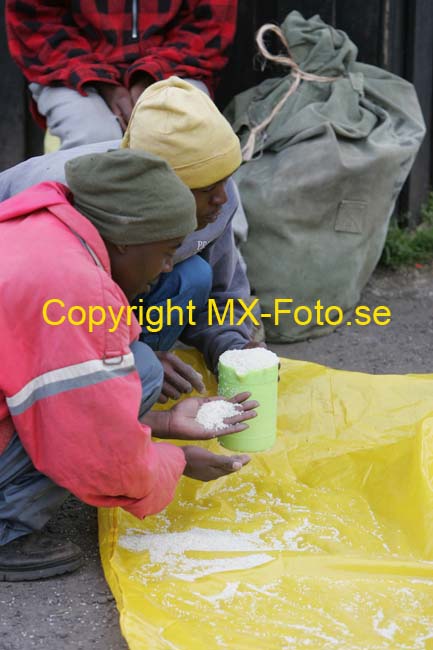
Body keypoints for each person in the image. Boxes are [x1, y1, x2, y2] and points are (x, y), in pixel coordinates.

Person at [0, 148, 257, 582]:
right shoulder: (72, 287)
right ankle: (6, 529)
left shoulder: (45, 225)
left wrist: (165, 422)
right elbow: (97, 454)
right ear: (124, 240)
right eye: (167, 250)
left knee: (135, 364)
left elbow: (55, 394)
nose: (167, 267)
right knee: (140, 369)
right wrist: (174, 461)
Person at [0, 77, 262, 404]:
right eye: (208, 189)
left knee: (194, 276)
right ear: (158, 191)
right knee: (139, 372)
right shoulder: (73, 212)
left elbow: (220, 294)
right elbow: (44, 323)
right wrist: (129, 358)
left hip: (100, 297)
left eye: (225, 180)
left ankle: (134, 388)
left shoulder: (216, 198)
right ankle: (115, 397)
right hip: (29, 313)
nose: (222, 199)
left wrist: (233, 347)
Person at [5, 0, 238, 148]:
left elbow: (208, 25)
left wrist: (151, 76)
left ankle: (212, 226)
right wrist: (100, 82)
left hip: (174, 66)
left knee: (186, 135)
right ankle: (83, 225)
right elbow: (35, 22)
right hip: (71, 70)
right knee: (94, 143)